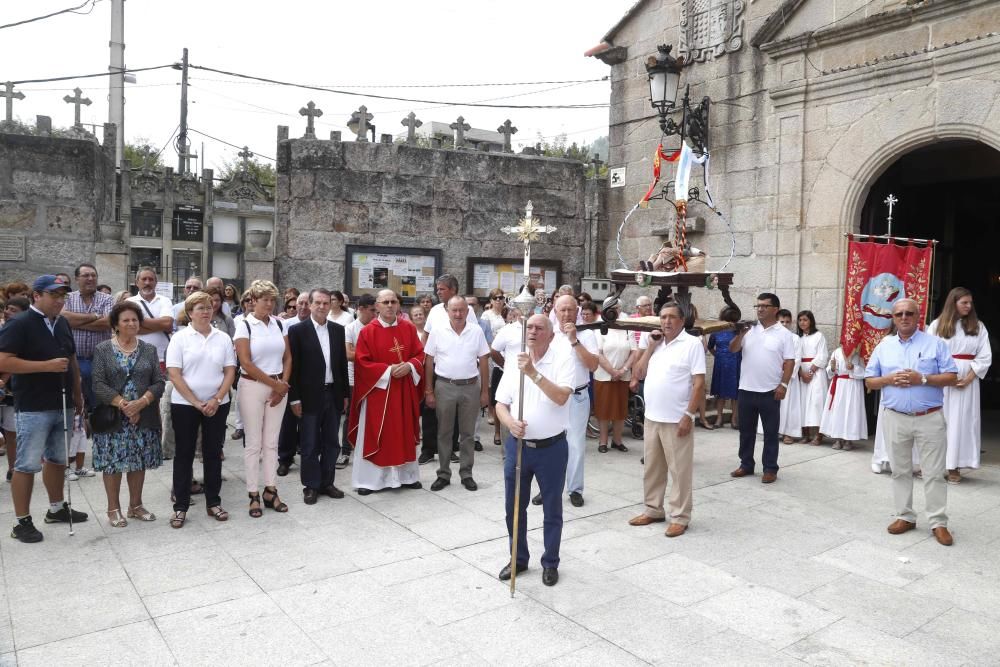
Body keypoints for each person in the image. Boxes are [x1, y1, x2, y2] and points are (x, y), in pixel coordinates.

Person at [0, 275, 88, 543]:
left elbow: (71, 358)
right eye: (54, 295)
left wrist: (77, 391)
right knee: (26, 463)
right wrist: (45, 366)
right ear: (37, 296)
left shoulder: (62, 323)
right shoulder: (20, 323)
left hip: (61, 402)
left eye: (63, 296)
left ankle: (56, 507)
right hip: (33, 405)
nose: (60, 301)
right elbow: (4, 361)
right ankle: (21, 521)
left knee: (58, 459)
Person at [865, 298, 958, 546]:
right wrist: (888, 379)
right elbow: (869, 381)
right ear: (893, 318)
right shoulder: (884, 346)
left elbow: (951, 376)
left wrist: (923, 379)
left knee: (935, 473)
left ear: (918, 316)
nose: (904, 318)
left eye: (909, 313)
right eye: (899, 314)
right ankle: (905, 516)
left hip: (929, 418)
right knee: (900, 470)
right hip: (895, 417)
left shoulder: (935, 344)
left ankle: (938, 522)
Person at [495, 314, 574, 587]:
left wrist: (533, 373)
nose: (532, 331)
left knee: (552, 509)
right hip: (518, 447)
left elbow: (562, 396)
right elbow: (500, 405)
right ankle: (518, 558)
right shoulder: (514, 361)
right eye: (529, 327)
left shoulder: (562, 359)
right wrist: (510, 424)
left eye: (539, 328)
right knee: (514, 507)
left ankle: (550, 562)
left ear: (550, 335)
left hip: (551, 449)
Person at [629, 302, 706, 537]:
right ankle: (653, 509)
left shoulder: (692, 344)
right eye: (663, 317)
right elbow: (638, 375)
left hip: (677, 418)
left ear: (682, 321)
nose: (666, 322)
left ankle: (680, 516)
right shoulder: (655, 343)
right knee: (652, 468)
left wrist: (689, 415)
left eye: (672, 317)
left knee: (679, 471)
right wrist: (650, 348)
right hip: (652, 416)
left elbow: (699, 383)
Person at [166, 291, 237, 527]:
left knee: (212, 452)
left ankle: (213, 502)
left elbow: (229, 371)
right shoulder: (180, 338)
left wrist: (216, 399)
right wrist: (197, 402)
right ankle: (181, 506)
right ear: (189, 313)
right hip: (186, 404)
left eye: (208, 307)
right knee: (184, 454)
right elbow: (174, 374)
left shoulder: (223, 338)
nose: (206, 311)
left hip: (217, 404)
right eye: (200, 308)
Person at [92, 301, 165, 527]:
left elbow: (159, 382)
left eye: (135, 320)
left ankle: (136, 505)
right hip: (114, 416)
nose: (131, 323)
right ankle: (113, 508)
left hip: (143, 415)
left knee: (138, 460)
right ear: (115, 325)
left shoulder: (149, 350)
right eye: (126, 320)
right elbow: (98, 384)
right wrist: (125, 405)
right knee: (112, 463)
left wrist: (141, 403)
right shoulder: (103, 349)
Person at [348, 289, 425, 494]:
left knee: (403, 432)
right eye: (385, 302)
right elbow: (362, 363)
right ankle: (370, 481)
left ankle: (407, 477)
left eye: (393, 301)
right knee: (377, 435)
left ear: (398, 305)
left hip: (403, 391)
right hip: (378, 394)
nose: (390, 305)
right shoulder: (367, 331)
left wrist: (409, 366)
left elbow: (420, 354)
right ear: (377, 306)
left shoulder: (408, 328)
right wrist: (389, 370)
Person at [233, 280, 292, 518]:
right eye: (264, 299)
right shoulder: (244, 325)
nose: (269, 304)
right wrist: (274, 384)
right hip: (252, 386)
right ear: (253, 301)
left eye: (272, 299)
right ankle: (253, 493)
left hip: (278, 386)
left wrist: (282, 386)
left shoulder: (279, 324)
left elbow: (288, 357)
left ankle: (271, 489)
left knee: (272, 442)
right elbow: (246, 362)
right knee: (254, 443)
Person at [288, 288, 349, 504]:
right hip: (308, 396)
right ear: (310, 305)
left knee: (332, 442)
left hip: (332, 394)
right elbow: (292, 368)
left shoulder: (337, 330)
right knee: (310, 443)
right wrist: (294, 398)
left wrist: (344, 395)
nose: (322, 306)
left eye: (326, 303)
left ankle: (327, 482)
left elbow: (341, 364)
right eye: (318, 303)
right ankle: (311, 485)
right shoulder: (297, 331)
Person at [536, 294, 597, 507]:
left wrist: (574, 341)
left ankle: (575, 489)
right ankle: (547, 488)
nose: (566, 314)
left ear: (577, 311)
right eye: (562, 309)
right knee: (548, 444)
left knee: (576, 445)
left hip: (577, 396)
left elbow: (592, 365)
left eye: (571, 309)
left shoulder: (587, 333)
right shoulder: (549, 333)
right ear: (555, 310)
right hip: (552, 395)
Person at [424, 295, 490, 491]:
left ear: (468, 311)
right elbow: (429, 361)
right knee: (444, 432)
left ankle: (466, 473)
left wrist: (485, 391)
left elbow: (484, 361)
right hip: (444, 386)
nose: (458, 314)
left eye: (462, 310)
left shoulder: (476, 331)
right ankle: (443, 474)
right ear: (448, 311)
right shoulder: (437, 330)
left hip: (471, 387)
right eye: (454, 310)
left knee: (468, 434)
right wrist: (429, 390)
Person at [927, 287, 992, 483]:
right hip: (942, 381)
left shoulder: (978, 327)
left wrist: (970, 377)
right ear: (953, 303)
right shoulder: (938, 325)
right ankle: (932, 465)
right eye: (964, 302)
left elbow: (985, 356)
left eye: (970, 303)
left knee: (961, 423)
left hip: (967, 384)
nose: (968, 306)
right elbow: (929, 352)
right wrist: (946, 376)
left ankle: (955, 466)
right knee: (938, 422)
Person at [729, 293, 795, 483]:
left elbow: (789, 361)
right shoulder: (749, 330)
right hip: (746, 389)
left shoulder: (784, 334)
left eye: (765, 306)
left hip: (770, 391)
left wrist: (783, 384)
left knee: (770, 432)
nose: (760, 309)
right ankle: (746, 464)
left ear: (775, 309)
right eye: (757, 306)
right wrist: (741, 333)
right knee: (746, 431)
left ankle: (770, 469)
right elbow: (733, 349)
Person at [61, 263, 114, 479]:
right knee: (75, 411)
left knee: (103, 409)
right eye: (85, 275)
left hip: (101, 363)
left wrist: (77, 322)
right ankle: (69, 463)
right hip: (76, 362)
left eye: (93, 275)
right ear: (77, 279)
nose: (90, 279)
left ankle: (102, 455)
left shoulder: (107, 299)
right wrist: (93, 317)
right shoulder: (67, 298)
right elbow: (64, 319)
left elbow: (108, 323)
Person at [593, 302, 638, 453]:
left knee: (620, 410)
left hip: (623, 375)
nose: (615, 311)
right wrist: (612, 371)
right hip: (604, 375)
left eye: (618, 308)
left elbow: (634, 351)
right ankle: (603, 441)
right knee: (603, 409)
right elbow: (598, 353)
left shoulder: (626, 328)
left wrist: (623, 370)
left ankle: (617, 440)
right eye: (612, 309)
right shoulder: (600, 328)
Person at [275, 292, 311, 476]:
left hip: (310, 380)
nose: (304, 307)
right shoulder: (285, 325)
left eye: (307, 303)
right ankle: (285, 459)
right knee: (287, 423)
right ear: (295, 305)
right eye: (300, 303)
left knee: (309, 423)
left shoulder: (316, 325)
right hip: (289, 378)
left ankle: (308, 458)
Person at [342, 294, 377, 469]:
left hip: (373, 379)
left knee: (372, 414)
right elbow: (348, 354)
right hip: (353, 378)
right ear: (361, 309)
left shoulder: (377, 327)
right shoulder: (350, 328)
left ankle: (369, 447)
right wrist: (370, 358)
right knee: (351, 414)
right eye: (372, 311)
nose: (375, 314)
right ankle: (345, 451)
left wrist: (362, 356)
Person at [0, 296, 29, 481]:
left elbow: (15, 358)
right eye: (7, 308)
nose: (7, 312)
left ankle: (13, 469)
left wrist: (3, 380)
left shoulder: (24, 332)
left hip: (12, 388)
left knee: (12, 432)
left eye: (13, 309)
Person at [820, 346, 867, 450]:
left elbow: (865, 371)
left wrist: (853, 368)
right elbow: (830, 370)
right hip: (839, 385)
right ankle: (838, 438)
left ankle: (848, 439)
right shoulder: (837, 351)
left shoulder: (859, 353)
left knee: (850, 412)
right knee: (838, 411)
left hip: (853, 385)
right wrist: (832, 368)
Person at [797, 310, 829, 445]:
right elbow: (794, 357)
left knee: (816, 403)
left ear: (811, 321)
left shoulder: (819, 336)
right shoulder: (798, 338)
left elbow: (822, 356)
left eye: (805, 320)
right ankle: (805, 434)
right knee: (803, 403)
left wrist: (809, 373)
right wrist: (801, 373)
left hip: (816, 373)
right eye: (800, 320)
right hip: (801, 372)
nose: (802, 322)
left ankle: (819, 435)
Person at [707, 307, 741, 428]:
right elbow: (710, 346)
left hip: (736, 364)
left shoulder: (739, 331)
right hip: (720, 365)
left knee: (735, 393)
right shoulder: (716, 331)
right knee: (720, 393)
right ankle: (719, 418)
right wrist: (718, 356)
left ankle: (734, 419)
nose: (730, 323)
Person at [481, 288, 507, 446]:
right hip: (492, 351)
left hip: (505, 352)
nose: (498, 300)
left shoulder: (505, 314)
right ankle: (491, 410)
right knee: (491, 383)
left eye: (501, 297)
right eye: (495, 298)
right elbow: (484, 334)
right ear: (490, 300)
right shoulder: (486, 315)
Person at [775, 309, 803, 443]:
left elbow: (797, 358)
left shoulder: (795, 338)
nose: (785, 324)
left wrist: (786, 370)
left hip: (789, 378)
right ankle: (774, 430)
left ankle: (789, 433)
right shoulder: (773, 336)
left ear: (791, 322)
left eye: (787, 322)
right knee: (775, 405)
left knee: (789, 405)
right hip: (774, 377)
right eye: (782, 322)